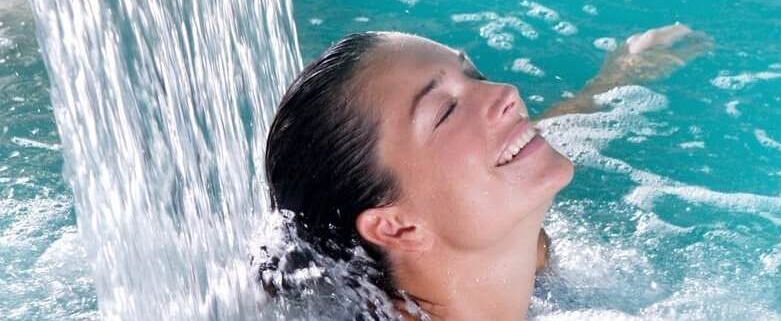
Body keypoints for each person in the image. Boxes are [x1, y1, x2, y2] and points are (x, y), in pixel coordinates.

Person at [259, 23, 711, 320]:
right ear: (395, 226)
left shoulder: (526, 253)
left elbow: (530, 136)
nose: (507, 92)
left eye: (474, 75)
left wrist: (615, 80)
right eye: (445, 111)